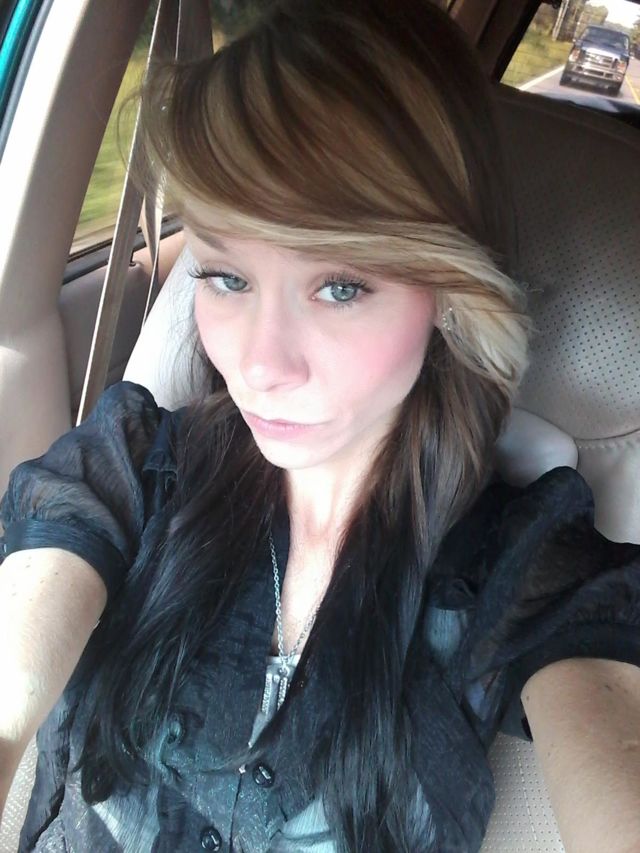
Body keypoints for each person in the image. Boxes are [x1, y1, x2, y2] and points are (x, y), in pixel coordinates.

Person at [1, 0, 640, 850]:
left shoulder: (517, 562)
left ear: (449, 294)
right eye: (227, 276)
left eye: (341, 285)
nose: (261, 364)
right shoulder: (138, 463)